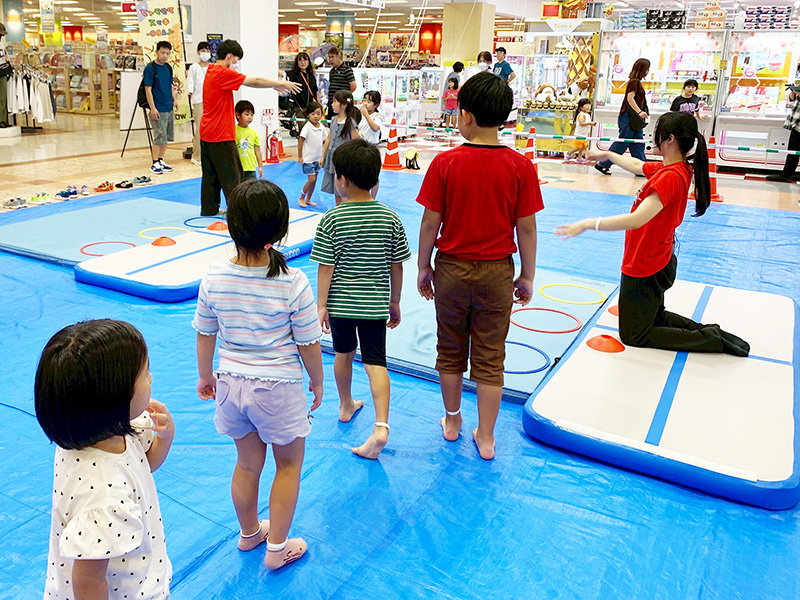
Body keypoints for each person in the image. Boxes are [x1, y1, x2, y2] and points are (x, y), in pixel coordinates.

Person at [194, 179, 324, 570]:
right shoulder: (293, 282)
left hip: (231, 385)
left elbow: (205, 332)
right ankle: (277, 547)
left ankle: (250, 533)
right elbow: (307, 343)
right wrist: (317, 380)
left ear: (232, 226)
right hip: (277, 388)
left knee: (247, 465)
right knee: (288, 466)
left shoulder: (214, 276)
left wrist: (205, 376)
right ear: (282, 230)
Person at [416, 72, 542, 460]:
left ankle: (453, 420)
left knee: (450, 349)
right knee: (491, 356)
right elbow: (527, 229)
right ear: (505, 117)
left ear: (465, 116)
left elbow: (429, 222)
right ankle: (486, 436)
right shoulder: (521, 166)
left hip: (452, 269)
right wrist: (527, 274)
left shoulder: (445, 163)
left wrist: (423, 266)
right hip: (497, 273)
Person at [555, 112, 750, 356]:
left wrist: (588, 224)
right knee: (654, 316)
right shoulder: (673, 168)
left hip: (646, 264)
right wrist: (605, 154)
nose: (652, 137)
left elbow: (636, 220)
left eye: (656, 133)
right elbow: (637, 165)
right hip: (656, 258)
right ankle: (708, 332)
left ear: (669, 139)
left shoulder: (670, 177)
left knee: (635, 335)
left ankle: (709, 339)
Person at [35, 319, 175, 600]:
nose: (151, 378)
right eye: (145, 373)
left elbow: (146, 465)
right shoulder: (103, 494)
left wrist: (166, 436)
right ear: (115, 398)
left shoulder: (103, 430)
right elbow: (87, 580)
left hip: (139, 573)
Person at [311, 139, 412, 460]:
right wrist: (395, 302)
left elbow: (325, 268)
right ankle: (381, 425)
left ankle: (345, 405)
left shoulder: (332, 220)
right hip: (373, 306)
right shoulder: (390, 218)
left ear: (341, 180)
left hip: (341, 305)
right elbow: (397, 266)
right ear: (376, 180)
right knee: (375, 362)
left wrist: (321, 305)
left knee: (343, 354)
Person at [199, 39, 300, 216]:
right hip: (221, 134)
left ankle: (209, 209)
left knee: (210, 176)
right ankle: (239, 212)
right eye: (236, 60)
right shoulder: (221, 72)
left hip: (207, 132)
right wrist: (281, 83)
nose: (236, 64)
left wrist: (275, 85)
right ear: (229, 57)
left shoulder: (211, 71)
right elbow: (255, 81)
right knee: (232, 176)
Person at [595, 58, 650, 176]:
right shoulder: (634, 82)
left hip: (632, 118)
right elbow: (630, 99)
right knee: (623, 142)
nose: (647, 72)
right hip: (629, 117)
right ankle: (603, 163)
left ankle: (641, 168)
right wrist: (640, 112)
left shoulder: (635, 82)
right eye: (647, 69)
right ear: (643, 69)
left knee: (637, 143)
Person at [320, 90, 360, 206]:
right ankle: (339, 209)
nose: (332, 104)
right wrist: (323, 155)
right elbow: (328, 138)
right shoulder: (333, 120)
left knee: (344, 189)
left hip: (344, 161)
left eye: (335, 102)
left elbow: (355, 142)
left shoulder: (350, 122)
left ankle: (345, 211)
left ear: (344, 105)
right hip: (332, 158)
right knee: (335, 189)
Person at [144, 40, 177, 175]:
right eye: (162, 52)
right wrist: (152, 108)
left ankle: (161, 159)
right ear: (156, 52)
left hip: (168, 107)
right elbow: (148, 89)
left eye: (167, 53)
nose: (164, 56)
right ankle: (154, 162)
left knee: (166, 136)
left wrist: (174, 100)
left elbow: (170, 86)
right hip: (158, 108)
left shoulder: (168, 68)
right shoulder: (150, 68)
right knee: (159, 135)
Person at [767, 84, 800, 183]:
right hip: (795, 123)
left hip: (798, 124)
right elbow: (791, 100)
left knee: (793, 151)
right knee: (793, 151)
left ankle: (787, 174)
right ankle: (788, 173)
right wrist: (793, 91)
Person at [297, 101, 327, 207]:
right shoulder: (307, 127)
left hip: (317, 159)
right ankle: (301, 198)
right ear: (308, 115)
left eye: (318, 114)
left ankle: (308, 199)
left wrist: (324, 156)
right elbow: (300, 140)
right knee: (311, 179)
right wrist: (300, 156)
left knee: (314, 181)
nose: (316, 116)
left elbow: (325, 141)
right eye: (313, 114)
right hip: (308, 159)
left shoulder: (321, 127)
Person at [187, 41, 211, 165]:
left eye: (207, 51)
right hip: (199, 101)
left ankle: (209, 156)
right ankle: (197, 156)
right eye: (203, 50)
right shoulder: (194, 67)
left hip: (212, 102)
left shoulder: (212, 67)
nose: (205, 53)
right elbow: (190, 85)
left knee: (210, 130)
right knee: (200, 130)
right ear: (198, 52)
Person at [325, 46, 356, 120]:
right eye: (329, 57)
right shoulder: (332, 71)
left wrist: (344, 95)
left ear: (339, 57)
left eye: (333, 57)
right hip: (332, 103)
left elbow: (353, 85)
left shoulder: (347, 70)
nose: (330, 60)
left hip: (341, 104)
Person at [234, 100, 263, 181]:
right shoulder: (233, 131)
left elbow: (257, 150)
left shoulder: (253, 133)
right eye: (247, 114)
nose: (250, 117)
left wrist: (260, 166)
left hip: (250, 168)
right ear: (238, 115)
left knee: (251, 190)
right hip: (237, 168)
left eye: (252, 115)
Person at [565, 98, 596, 163]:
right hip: (579, 135)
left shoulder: (587, 115)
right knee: (577, 147)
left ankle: (579, 158)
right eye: (586, 105)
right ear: (581, 107)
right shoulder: (581, 114)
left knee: (583, 148)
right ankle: (568, 154)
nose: (588, 106)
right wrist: (590, 123)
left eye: (589, 104)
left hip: (585, 135)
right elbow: (581, 123)